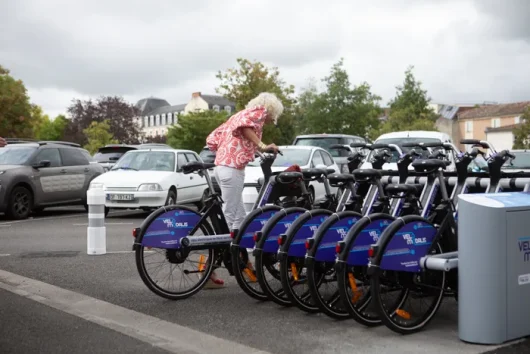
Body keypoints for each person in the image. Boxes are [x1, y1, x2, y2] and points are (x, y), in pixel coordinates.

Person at [205, 92, 283, 289]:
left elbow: (213, 140)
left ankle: (244, 265)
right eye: (272, 117)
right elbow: (246, 129)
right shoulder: (258, 112)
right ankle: (208, 269)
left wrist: (249, 150)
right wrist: (263, 146)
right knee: (230, 218)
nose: (268, 120)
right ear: (270, 109)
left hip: (223, 167)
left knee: (239, 219)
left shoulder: (237, 115)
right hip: (232, 169)